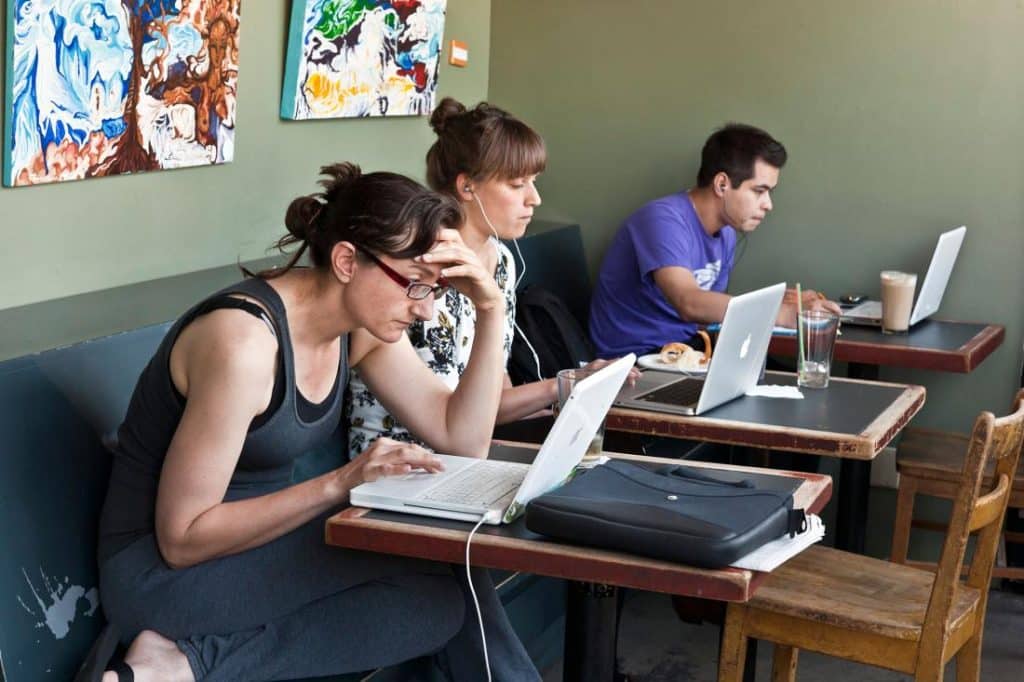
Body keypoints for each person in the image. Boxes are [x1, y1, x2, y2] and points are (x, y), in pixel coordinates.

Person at [93, 164, 540, 681]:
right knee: (446, 566)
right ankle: (176, 661)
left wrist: (490, 306)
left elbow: (462, 437)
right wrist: (341, 483)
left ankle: (183, 664)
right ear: (348, 260)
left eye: (437, 289)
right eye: (416, 286)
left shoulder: (358, 329)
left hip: (254, 551)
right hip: (163, 576)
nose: (426, 311)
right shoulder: (244, 346)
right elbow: (183, 538)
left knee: (435, 607)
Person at [348, 98, 632, 458]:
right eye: (517, 185)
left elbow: (490, 401)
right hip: (399, 463)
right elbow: (456, 417)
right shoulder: (417, 266)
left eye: (534, 182)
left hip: (467, 453)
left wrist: (574, 383)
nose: (535, 199)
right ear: (467, 188)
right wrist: (560, 387)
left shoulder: (501, 262)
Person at [589, 123, 841, 358]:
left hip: (689, 354)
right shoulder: (663, 219)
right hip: (637, 361)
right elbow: (689, 303)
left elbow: (705, 315)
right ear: (722, 184)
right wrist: (782, 314)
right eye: (759, 191)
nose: (768, 205)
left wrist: (777, 302)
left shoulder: (727, 232)